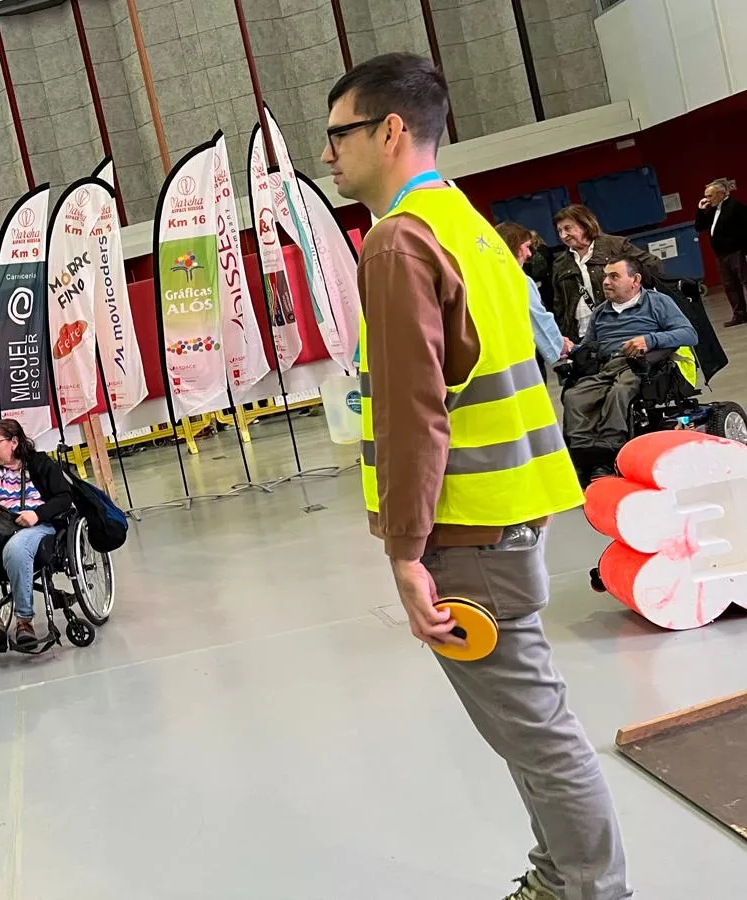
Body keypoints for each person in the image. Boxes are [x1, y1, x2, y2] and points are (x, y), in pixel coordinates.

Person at [321, 53, 631, 900]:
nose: (328, 155)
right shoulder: (464, 221)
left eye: (338, 134)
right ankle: (563, 876)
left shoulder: (396, 242)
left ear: (389, 131)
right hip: (508, 511)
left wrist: (406, 552)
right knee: (527, 728)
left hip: (462, 531)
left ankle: (592, 888)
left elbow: (414, 413)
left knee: (537, 733)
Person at [561, 255, 699, 476]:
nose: (605, 281)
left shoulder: (657, 302)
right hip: (605, 366)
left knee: (620, 391)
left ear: (635, 280)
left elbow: (689, 334)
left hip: (642, 365)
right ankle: (584, 454)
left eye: (614, 276)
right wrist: (570, 348)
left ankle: (609, 451)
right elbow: (588, 346)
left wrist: (649, 340)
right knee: (575, 396)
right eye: (606, 276)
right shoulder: (601, 312)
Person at [0, 418, 72, 651]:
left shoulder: (39, 463)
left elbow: (64, 497)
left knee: (16, 549)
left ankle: (24, 620)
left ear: (14, 442)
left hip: (35, 526)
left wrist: (37, 514)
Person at [550, 203, 661, 342]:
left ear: (585, 225)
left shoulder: (615, 246)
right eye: (559, 231)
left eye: (568, 228)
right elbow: (559, 306)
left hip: (623, 328)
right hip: (581, 336)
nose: (564, 235)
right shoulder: (560, 263)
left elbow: (653, 265)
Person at [495, 221, 571, 368]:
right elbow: (537, 317)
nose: (529, 254)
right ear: (514, 245)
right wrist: (558, 345)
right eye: (527, 247)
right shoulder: (517, 279)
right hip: (522, 356)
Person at [696, 177, 746, 326]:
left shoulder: (735, 206)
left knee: (745, 281)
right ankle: (740, 314)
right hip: (721, 255)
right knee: (730, 286)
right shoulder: (712, 210)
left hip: (737, 252)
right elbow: (699, 227)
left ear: (722, 193)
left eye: (710, 196)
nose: (707, 199)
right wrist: (700, 210)